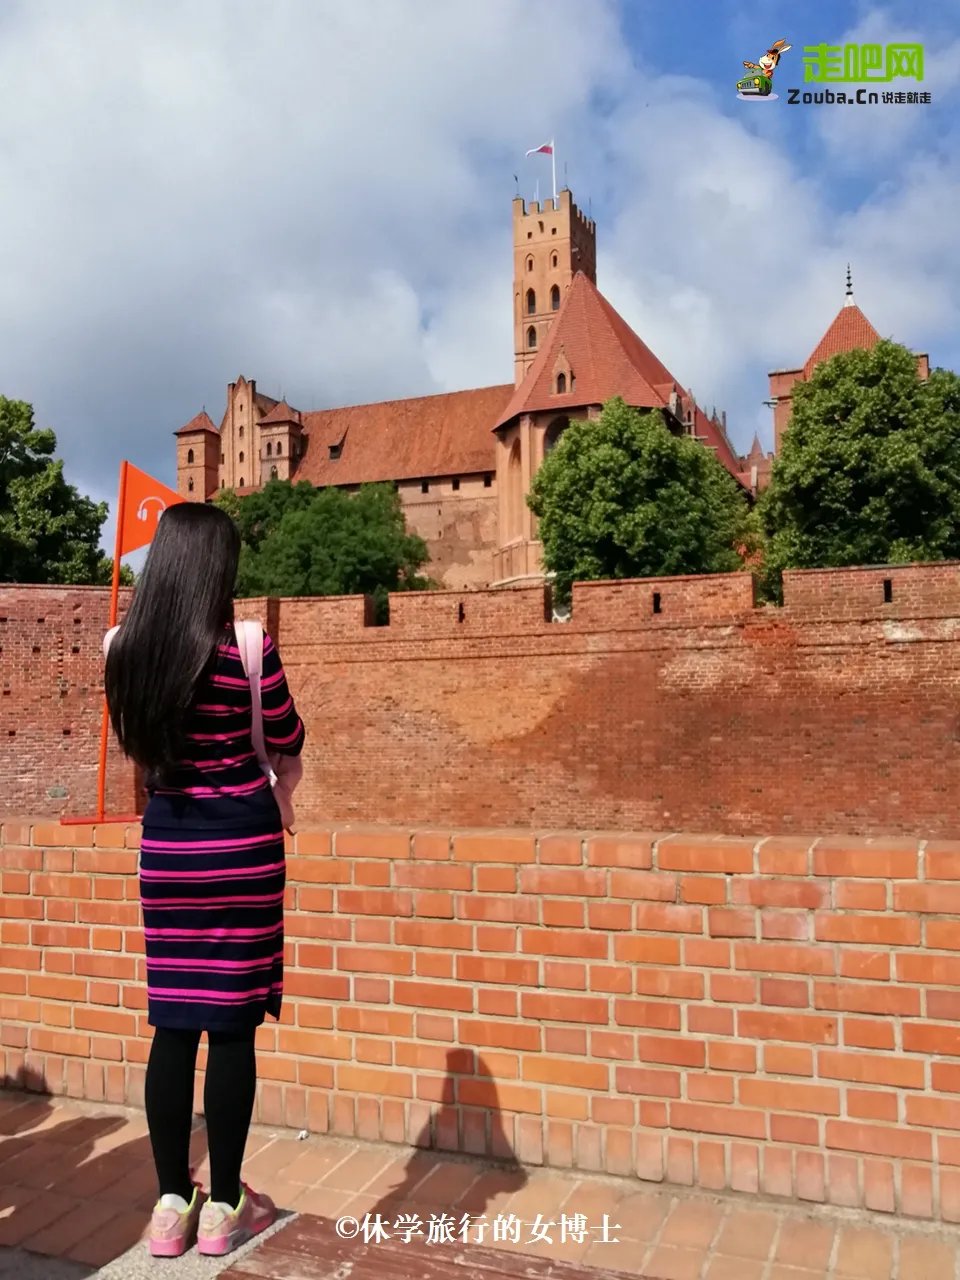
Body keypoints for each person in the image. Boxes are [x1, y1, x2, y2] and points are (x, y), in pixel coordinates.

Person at [104, 503, 305, 1258]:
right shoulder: (248, 652)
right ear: (220, 570)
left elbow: (136, 741)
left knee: (174, 1020)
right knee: (231, 1026)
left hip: (170, 848)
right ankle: (223, 1207)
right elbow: (288, 736)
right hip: (243, 848)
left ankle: (166, 1208)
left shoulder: (126, 651)